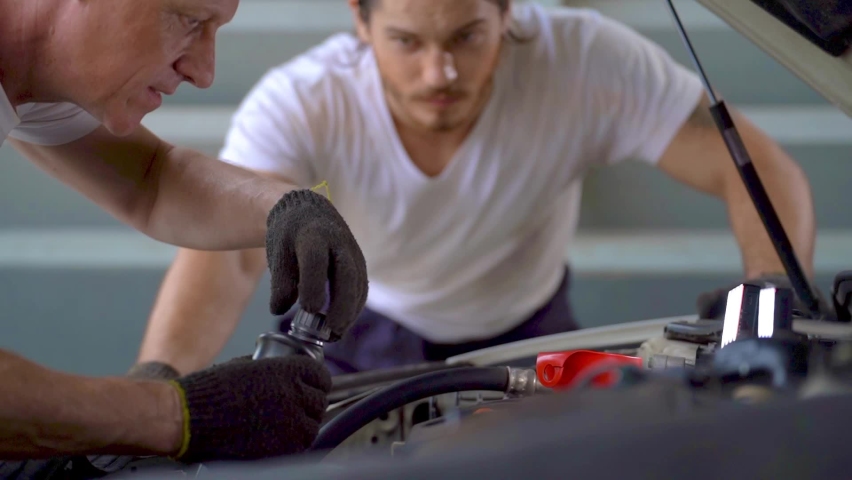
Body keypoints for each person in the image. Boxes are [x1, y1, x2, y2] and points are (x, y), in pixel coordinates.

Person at [133, 0, 820, 378]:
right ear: (360, 22)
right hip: (358, 329)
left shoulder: (583, 59)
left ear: (507, 13)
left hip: (528, 326)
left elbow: (751, 166)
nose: (441, 73)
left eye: (467, 36)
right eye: (406, 41)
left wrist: (770, 298)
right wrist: (158, 388)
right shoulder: (303, 100)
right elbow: (228, 251)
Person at [0, 0, 370, 475]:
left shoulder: (32, 69)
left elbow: (150, 181)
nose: (203, 71)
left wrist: (288, 208)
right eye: (189, 19)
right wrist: (172, 414)